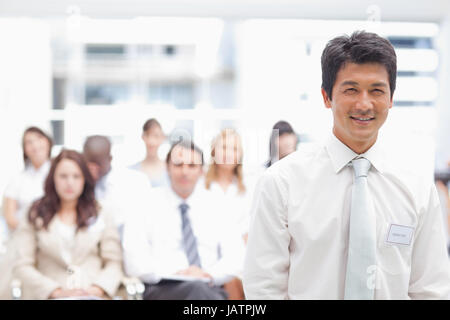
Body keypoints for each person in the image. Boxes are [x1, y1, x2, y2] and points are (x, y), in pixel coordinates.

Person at [243, 31, 450, 300]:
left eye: (376, 90)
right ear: (326, 97)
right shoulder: (282, 182)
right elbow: (264, 287)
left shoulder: (417, 187)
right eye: (351, 89)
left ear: (391, 98)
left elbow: (431, 288)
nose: (364, 104)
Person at [122, 139, 245, 300]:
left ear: (202, 170)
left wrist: (207, 274)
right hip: (162, 289)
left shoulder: (218, 205)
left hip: (209, 287)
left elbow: (236, 257)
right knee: (196, 291)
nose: (185, 172)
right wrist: (174, 273)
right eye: (178, 165)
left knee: (199, 290)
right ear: (167, 168)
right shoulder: (146, 204)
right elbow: (134, 260)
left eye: (192, 166)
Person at [13, 150, 123, 300]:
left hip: (92, 294)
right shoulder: (35, 213)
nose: (70, 182)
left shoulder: (101, 212)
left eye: (76, 176)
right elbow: (22, 265)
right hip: (51, 294)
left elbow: (113, 262)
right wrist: (55, 291)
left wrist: (97, 289)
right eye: (63, 176)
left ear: (84, 179)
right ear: (53, 179)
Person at [83, 135, 152, 232]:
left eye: (98, 163)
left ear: (109, 159)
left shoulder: (134, 182)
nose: (93, 168)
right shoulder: (79, 183)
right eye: (89, 162)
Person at [205, 129, 252, 245]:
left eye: (235, 149)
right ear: (213, 151)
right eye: (224, 147)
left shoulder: (248, 188)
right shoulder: (200, 185)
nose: (229, 154)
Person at [2, 127, 53, 235]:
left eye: (39, 138)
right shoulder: (17, 179)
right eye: (29, 142)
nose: (35, 146)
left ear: (48, 142)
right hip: (23, 235)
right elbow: (9, 216)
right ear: (24, 149)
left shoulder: (60, 175)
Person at [129, 118, 169, 187]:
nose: (151, 141)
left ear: (162, 138)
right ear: (143, 137)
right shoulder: (132, 171)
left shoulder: (170, 170)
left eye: (156, 136)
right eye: (148, 135)